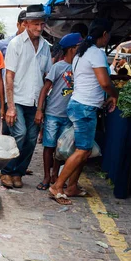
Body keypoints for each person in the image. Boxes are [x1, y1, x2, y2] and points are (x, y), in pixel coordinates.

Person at [49, 19, 119, 205]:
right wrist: (115, 95)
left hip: (78, 104)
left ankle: (72, 186)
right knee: (83, 150)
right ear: (104, 34)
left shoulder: (81, 52)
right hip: (85, 108)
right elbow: (104, 82)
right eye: (109, 35)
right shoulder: (95, 53)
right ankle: (58, 186)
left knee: (83, 149)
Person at [1, 5, 52, 189]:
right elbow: (9, 76)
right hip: (18, 99)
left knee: (31, 139)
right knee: (19, 134)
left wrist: (41, 108)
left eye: (42, 24)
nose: (40, 28)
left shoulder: (46, 47)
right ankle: (6, 171)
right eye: (36, 24)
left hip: (35, 100)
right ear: (26, 24)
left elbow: (46, 77)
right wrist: (10, 106)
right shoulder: (16, 44)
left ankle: (18, 172)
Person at [34, 33, 83, 190]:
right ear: (71, 49)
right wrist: (40, 110)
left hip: (69, 116)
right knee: (49, 146)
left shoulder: (80, 68)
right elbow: (45, 89)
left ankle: (56, 174)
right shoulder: (58, 67)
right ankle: (47, 176)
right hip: (53, 114)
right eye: (78, 47)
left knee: (61, 149)